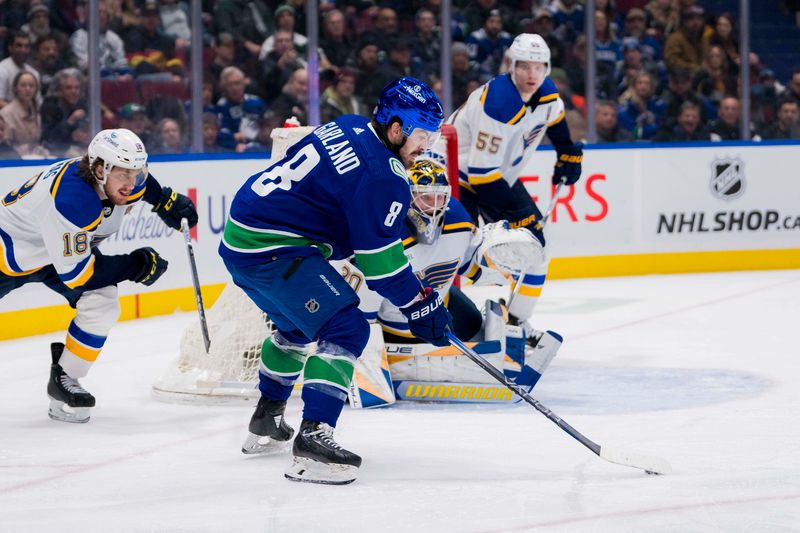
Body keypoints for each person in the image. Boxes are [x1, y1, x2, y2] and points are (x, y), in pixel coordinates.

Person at [219, 77, 451, 485]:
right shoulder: (386, 176)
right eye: (421, 135)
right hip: (274, 248)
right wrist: (420, 304)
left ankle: (267, 419)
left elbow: (331, 194)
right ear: (396, 128)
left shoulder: (349, 124)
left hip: (241, 240)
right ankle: (313, 438)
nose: (426, 145)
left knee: (296, 327)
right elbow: (380, 268)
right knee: (346, 328)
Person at [0, 128, 198, 423]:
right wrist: (137, 265)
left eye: (137, 173)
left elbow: (142, 185)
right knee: (93, 282)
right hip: (7, 252)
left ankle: (65, 378)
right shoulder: (74, 200)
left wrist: (164, 200)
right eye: (124, 174)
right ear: (100, 169)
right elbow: (78, 276)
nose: (131, 184)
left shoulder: (117, 179)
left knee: (102, 300)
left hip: (53, 253)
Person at [353, 159, 563, 394]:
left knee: (477, 328)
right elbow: (365, 307)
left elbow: (465, 263)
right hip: (397, 324)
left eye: (440, 197)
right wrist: (365, 358)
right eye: (425, 197)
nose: (434, 206)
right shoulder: (386, 233)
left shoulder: (458, 218)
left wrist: (494, 264)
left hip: (440, 304)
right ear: (407, 196)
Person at [446, 33, 583, 334]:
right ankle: (436, 322)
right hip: (454, 178)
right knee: (454, 252)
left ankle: (516, 323)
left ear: (547, 68)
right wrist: (515, 214)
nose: (531, 74)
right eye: (524, 66)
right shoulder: (498, 102)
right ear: (511, 65)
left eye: (538, 67)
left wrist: (567, 153)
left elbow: (557, 125)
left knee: (537, 247)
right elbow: (481, 175)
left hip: (496, 178)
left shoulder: (547, 96)